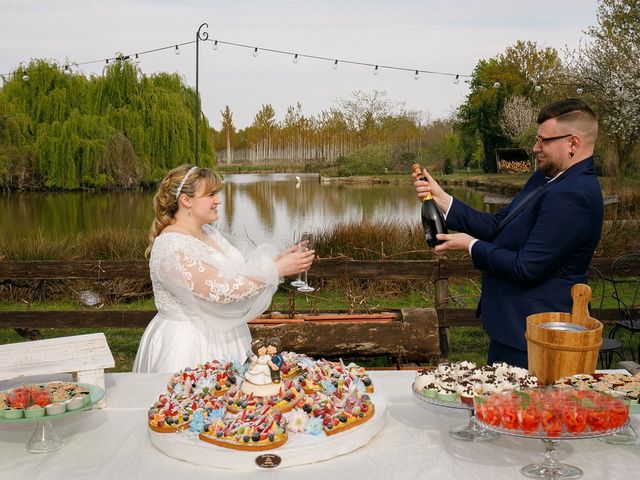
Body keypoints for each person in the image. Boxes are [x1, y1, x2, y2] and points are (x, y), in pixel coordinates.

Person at [414, 98, 603, 368]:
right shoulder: (546, 178)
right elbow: (497, 226)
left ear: (573, 143)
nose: (534, 148)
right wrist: (443, 199)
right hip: (512, 328)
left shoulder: (574, 195)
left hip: (540, 337)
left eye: (543, 141)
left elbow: (527, 268)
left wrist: (471, 245)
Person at [133, 164, 314, 373]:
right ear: (186, 200)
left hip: (229, 336)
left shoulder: (208, 232)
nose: (218, 200)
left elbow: (240, 270)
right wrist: (276, 269)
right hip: (189, 344)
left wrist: (280, 258)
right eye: (211, 194)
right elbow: (221, 291)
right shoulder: (170, 247)